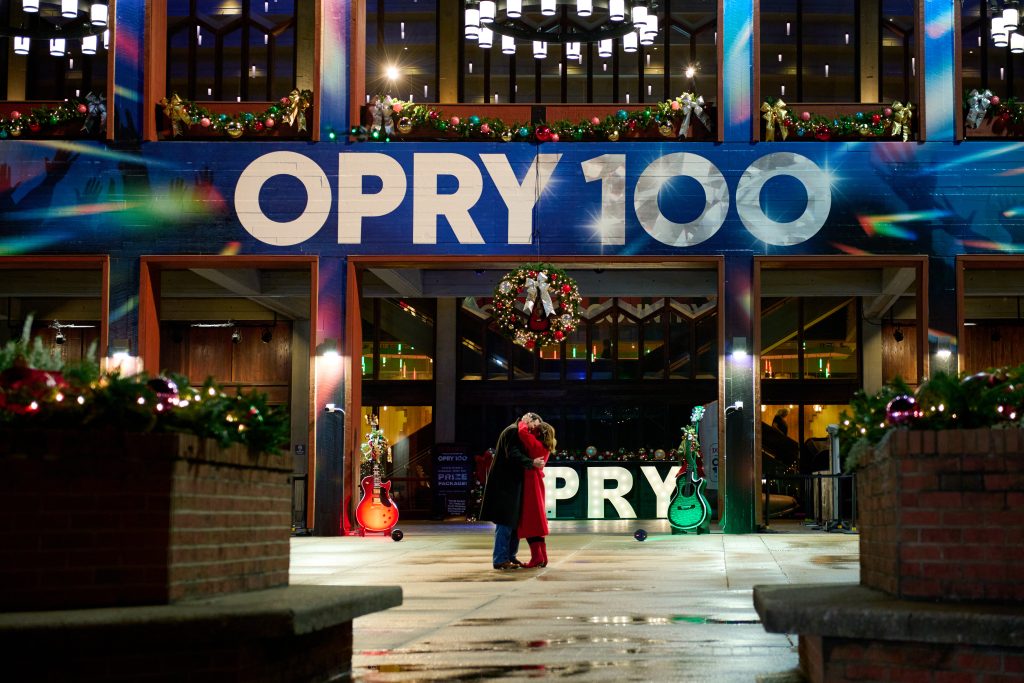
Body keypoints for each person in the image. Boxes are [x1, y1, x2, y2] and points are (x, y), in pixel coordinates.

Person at [478, 412, 545, 570]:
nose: (534, 429)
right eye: (534, 425)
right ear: (529, 419)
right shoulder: (512, 431)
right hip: (505, 485)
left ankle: (509, 556)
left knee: (513, 522)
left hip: (511, 485)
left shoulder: (516, 431)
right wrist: (531, 462)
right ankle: (500, 559)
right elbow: (512, 454)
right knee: (505, 522)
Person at [517, 420, 555, 568]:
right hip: (536, 483)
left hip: (530, 483)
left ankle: (536, 557)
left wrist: (523, 422)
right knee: (537, 522)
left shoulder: (536, 446)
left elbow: (522, 433)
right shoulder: (545, 447)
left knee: (530, 522)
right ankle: (543, 557)